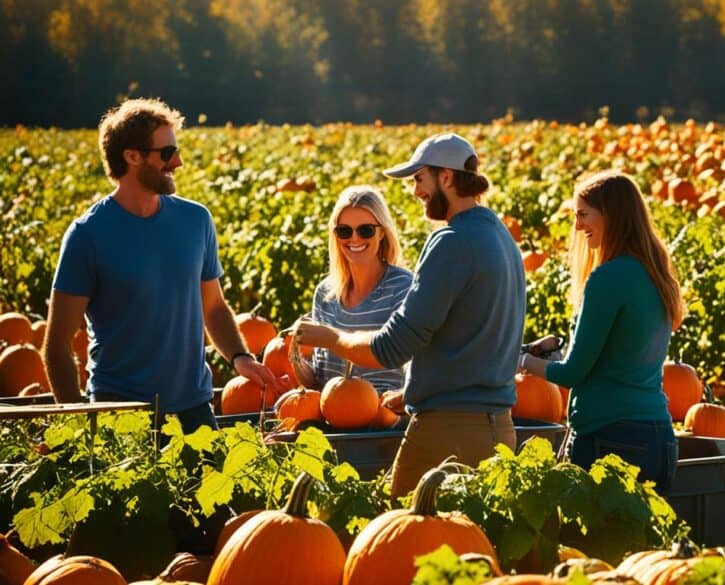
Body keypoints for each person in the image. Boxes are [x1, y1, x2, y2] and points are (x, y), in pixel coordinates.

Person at [294, 132, 526, 497]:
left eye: (420, 179)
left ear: (446, 178)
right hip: (498, 428)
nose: (416, 191)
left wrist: (330, 337)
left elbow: (391, 348)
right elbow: (470, 338)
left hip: (447, 433)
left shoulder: (451, 241)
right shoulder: (500, 236)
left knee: (401, 540)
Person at [43, 98, 281, 435]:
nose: (178, 162)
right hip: (121, 413)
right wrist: (77, 429)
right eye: (167, 153)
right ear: (132, 156)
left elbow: (212, 307)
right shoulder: (88, 236)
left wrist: (239, 356)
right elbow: (57, 346)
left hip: (194, 411)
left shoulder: (196, 220)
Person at [519, 170, 683, 492]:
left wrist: (521, 360)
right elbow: (615, 360)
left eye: (583, 215)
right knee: (645, 543)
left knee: (594, 544)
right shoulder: (654, 274)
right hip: (659, 438)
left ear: (613, 216)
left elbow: (572, 373)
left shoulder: (608, 278)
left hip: (612, 439)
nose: (577, 227)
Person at [292, 186, 413, 392]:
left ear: (382, 232)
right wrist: (294, 358)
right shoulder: (325, 294)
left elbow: (413, 367)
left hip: (386, 419)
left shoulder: (402, 288)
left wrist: (332, 338)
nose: (354, 238)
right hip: (333, 417)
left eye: (366, 230)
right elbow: (319, 383)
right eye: (344, 231)